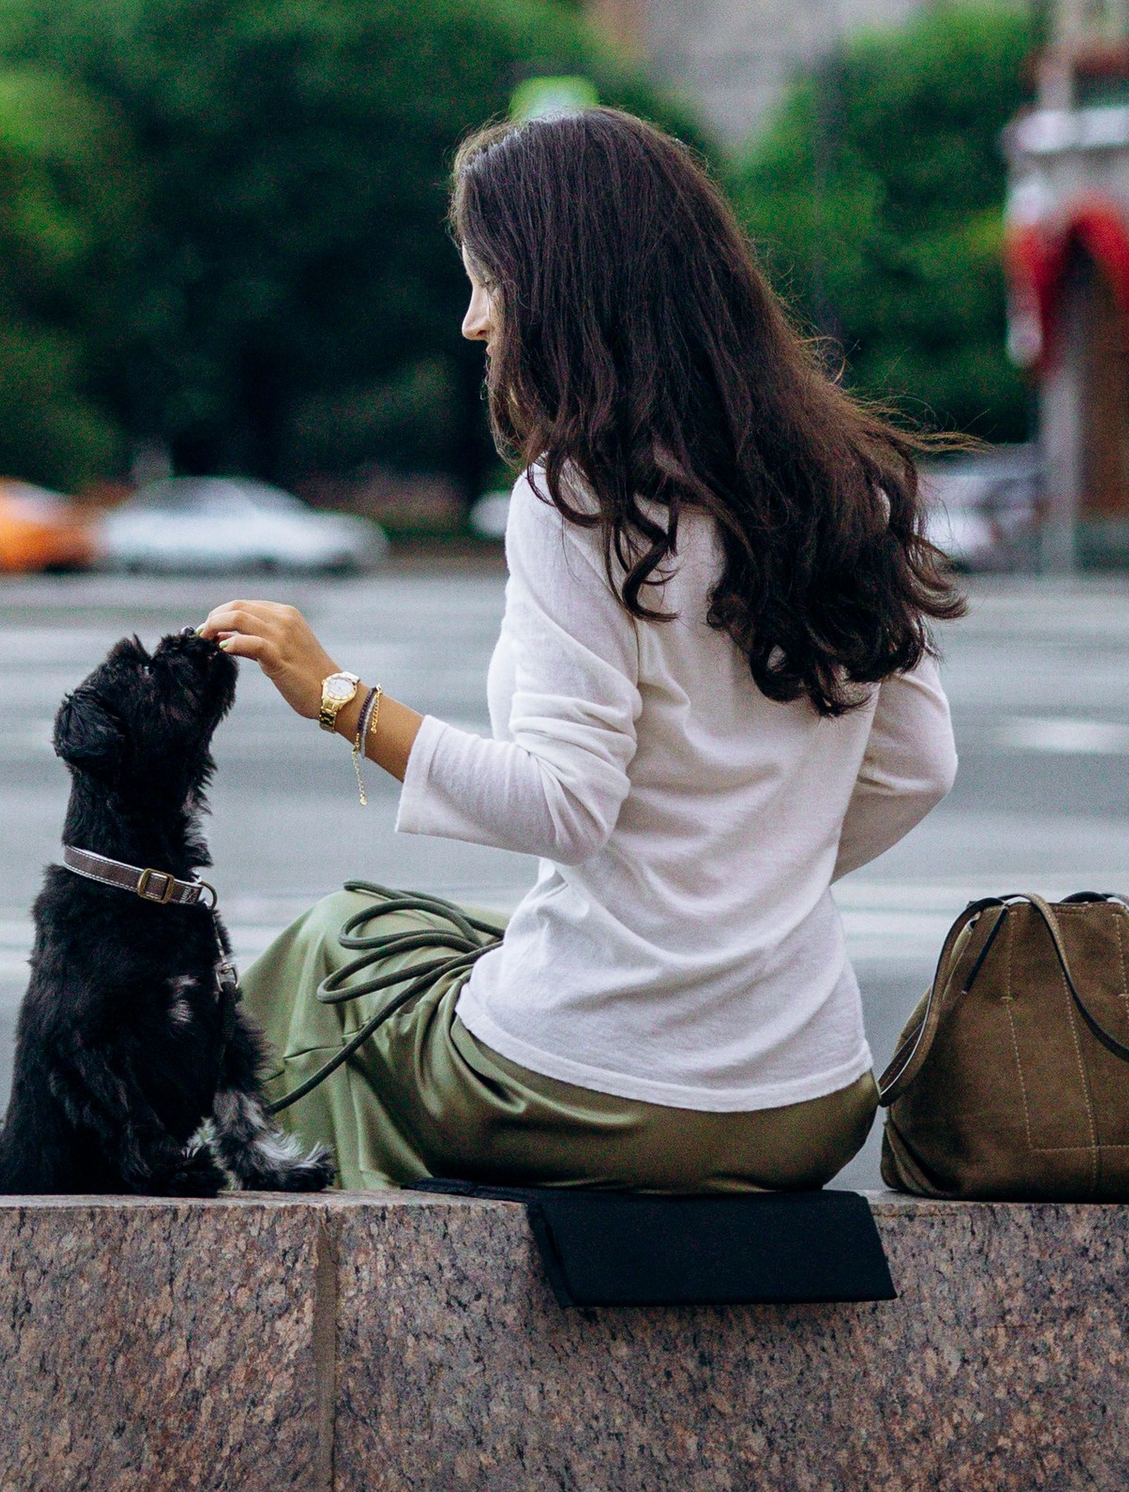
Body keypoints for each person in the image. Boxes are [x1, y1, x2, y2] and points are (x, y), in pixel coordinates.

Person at [206, 105, 960, 1193]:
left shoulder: (580, 500)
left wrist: (335, 696)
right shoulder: (848, 483)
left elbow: (563, 805)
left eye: (488, 283)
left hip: (606, 1091)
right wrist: (742, 886)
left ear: (565, 291)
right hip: (810, 1093)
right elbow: (918, 766)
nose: (472, 321)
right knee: (407, 930)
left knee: (329, 955)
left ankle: (358, 1323)